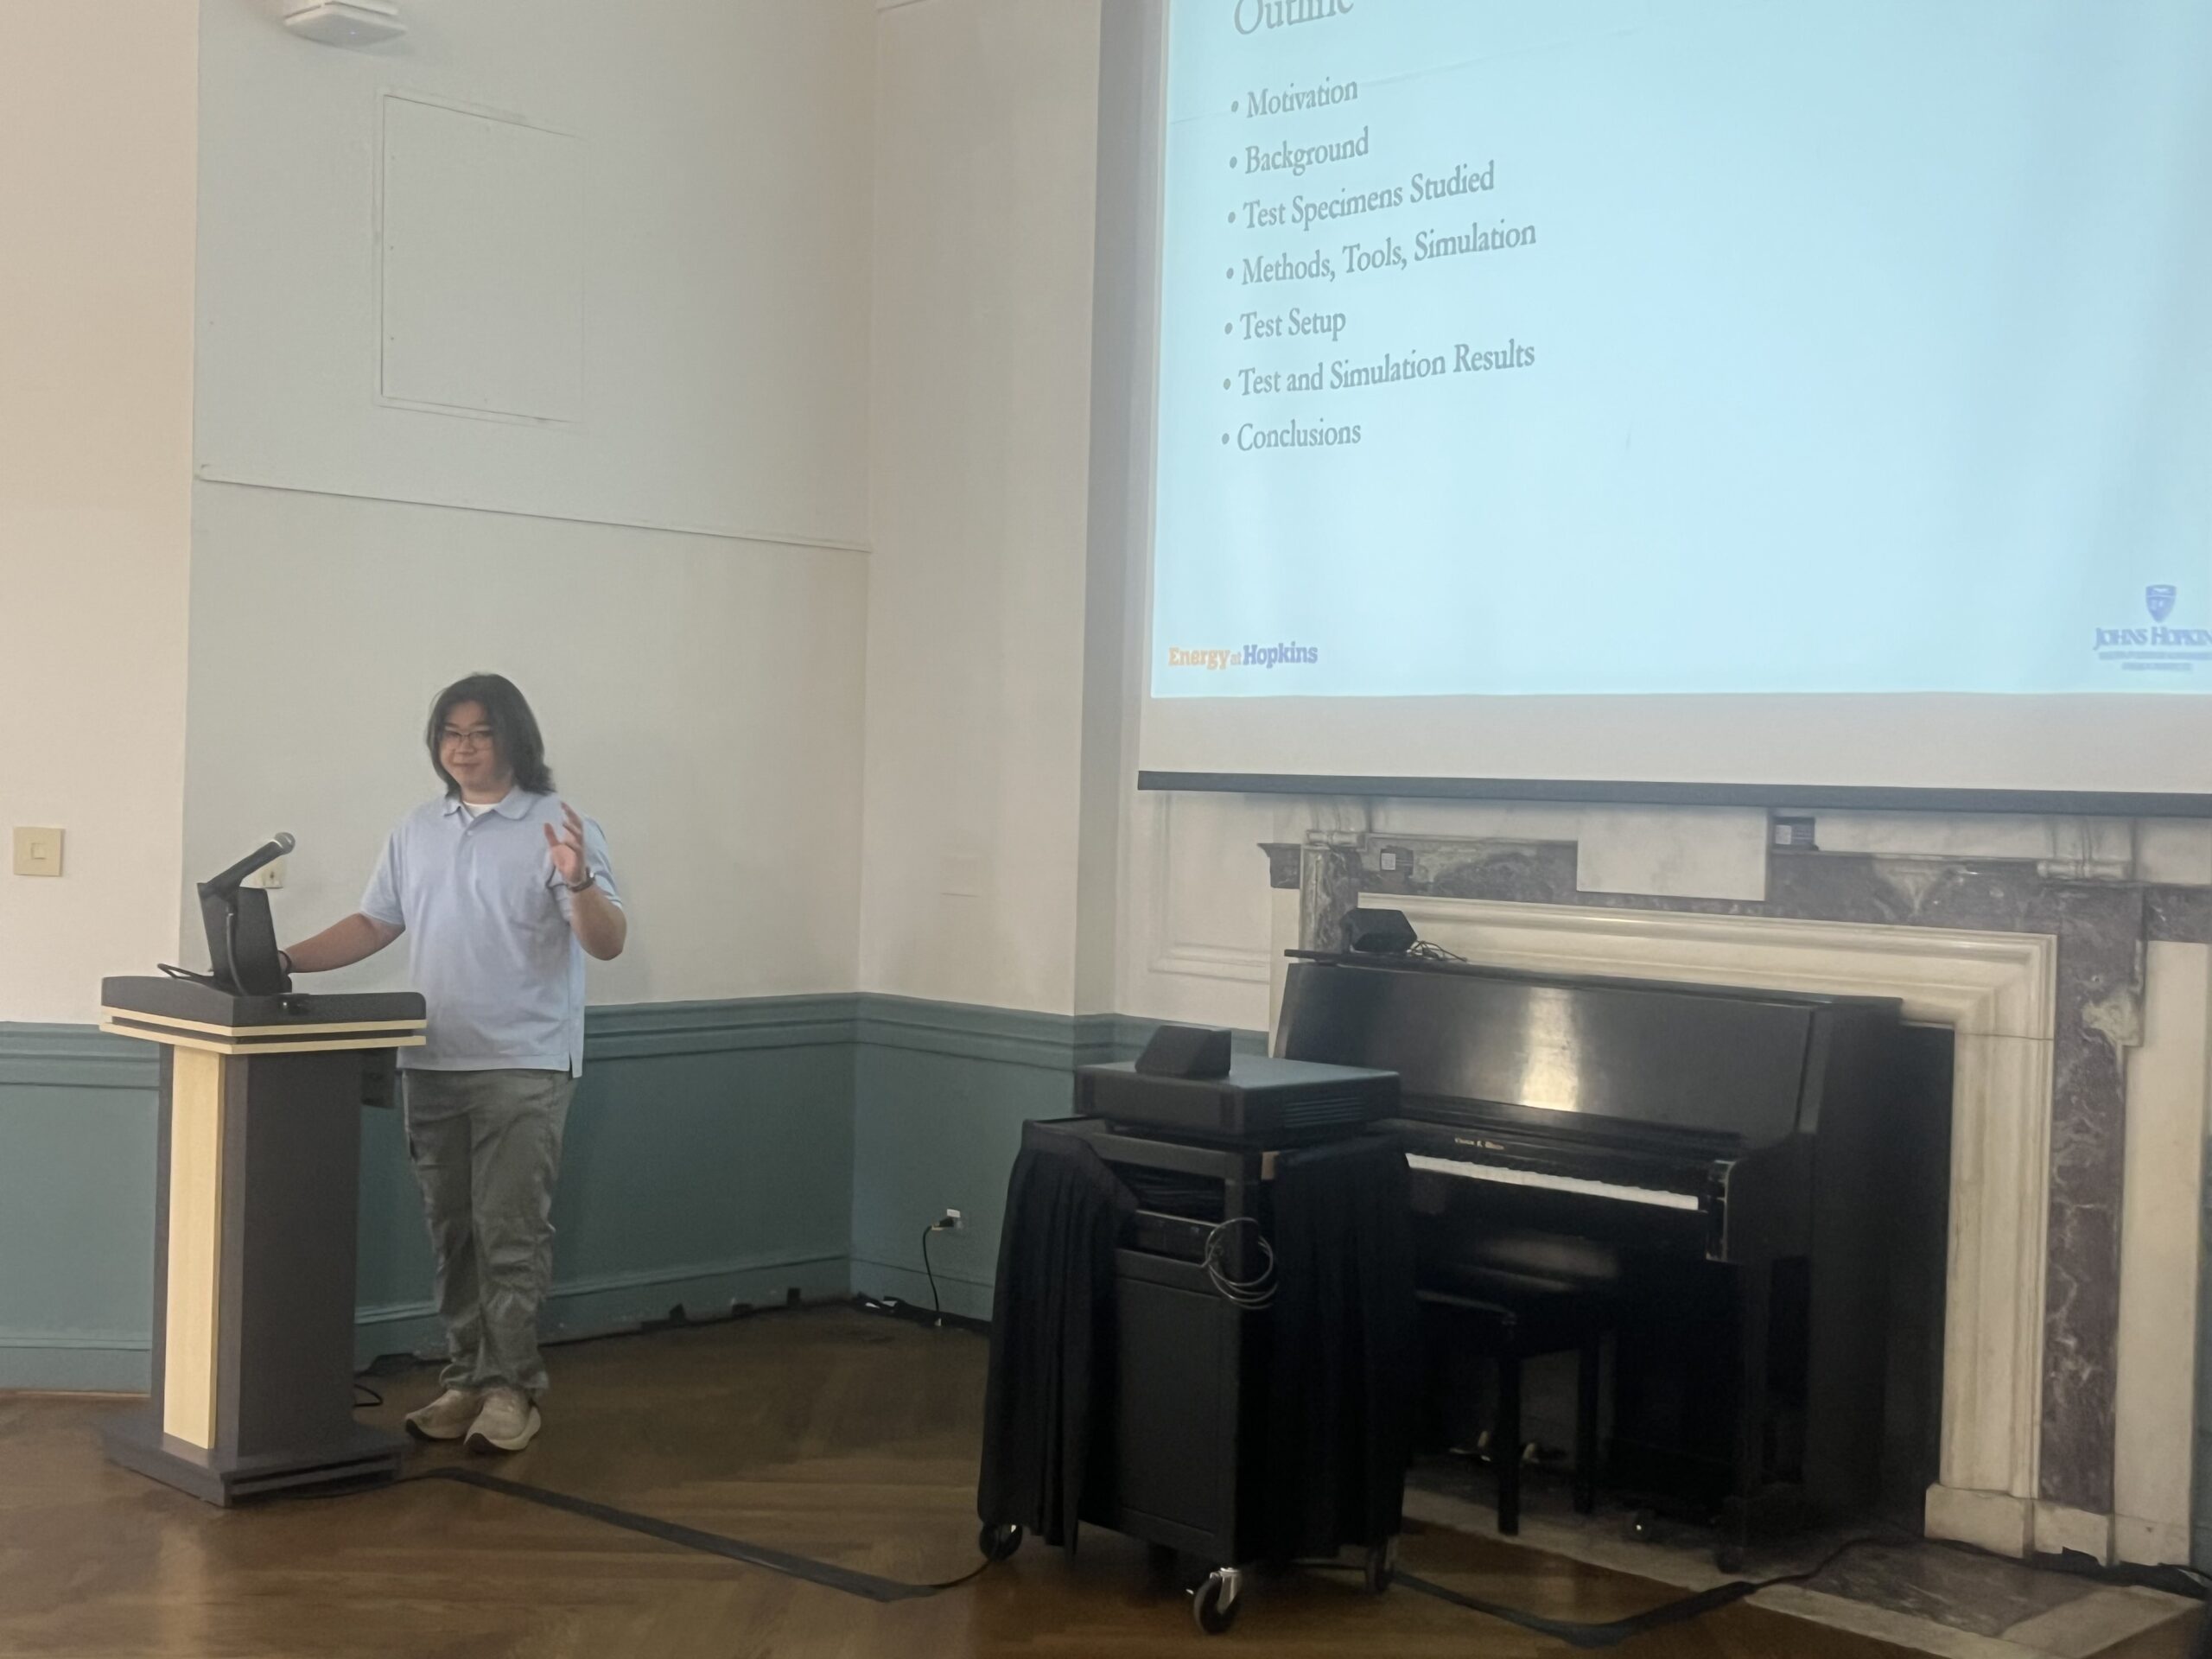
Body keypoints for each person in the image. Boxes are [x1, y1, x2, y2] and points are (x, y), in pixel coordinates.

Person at [282, 673, 626, 1453]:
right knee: (454, 1235)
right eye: (450, 733)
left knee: (510, 1233)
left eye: (480, 732)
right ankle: (466, 1379)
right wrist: (280, 961)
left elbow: (605, 942)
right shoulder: (417, 828)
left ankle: (512, 1391)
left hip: (524, 1062)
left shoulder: (558, 826)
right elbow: (374, 923)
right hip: (432, 1060)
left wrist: (576, 879)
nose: (463, 747)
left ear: (514, 739)